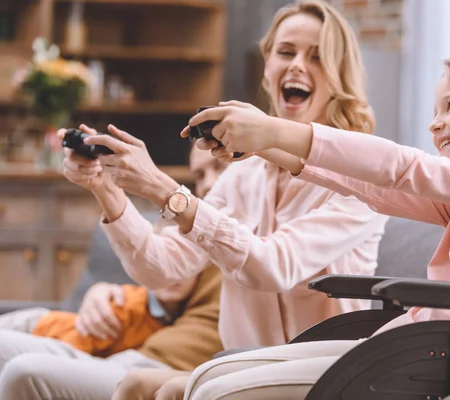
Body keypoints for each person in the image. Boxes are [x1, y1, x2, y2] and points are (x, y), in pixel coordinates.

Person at [0, 1, 389, 399]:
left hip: (325, 368)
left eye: (318, 57)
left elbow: (273, 266)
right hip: (242, 361)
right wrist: (107, 188)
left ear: (340, 74)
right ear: (267, 64)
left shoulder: (358, 176)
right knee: (133, 385)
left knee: (171, 388)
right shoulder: (242, 175)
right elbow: (162, 269)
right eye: (286, 52)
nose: (297, 66)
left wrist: (167, 192)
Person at [170, 54, 450, 399]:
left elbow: (404, 169)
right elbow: (375, 187)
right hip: (421, 346)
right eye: (435, 110)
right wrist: (267, 146)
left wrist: (275, 129)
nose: (435, 123)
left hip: (447, 354)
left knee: (216, 390)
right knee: (211, 375)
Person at [0, 143, 225, 399]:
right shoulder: (200, 234)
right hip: (128, 357)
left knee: (24, 370)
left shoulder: (257, 238)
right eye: (199, 175)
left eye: (220, 167)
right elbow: (162, 279)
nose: (208, 184)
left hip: (163, 371)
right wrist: (104, 290)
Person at [0, 276, 198, 356]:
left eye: (186, 264)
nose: (175, 274)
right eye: (164, 265)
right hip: (36, 328)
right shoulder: (127, 305)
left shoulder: (188, 319)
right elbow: (71, 349)